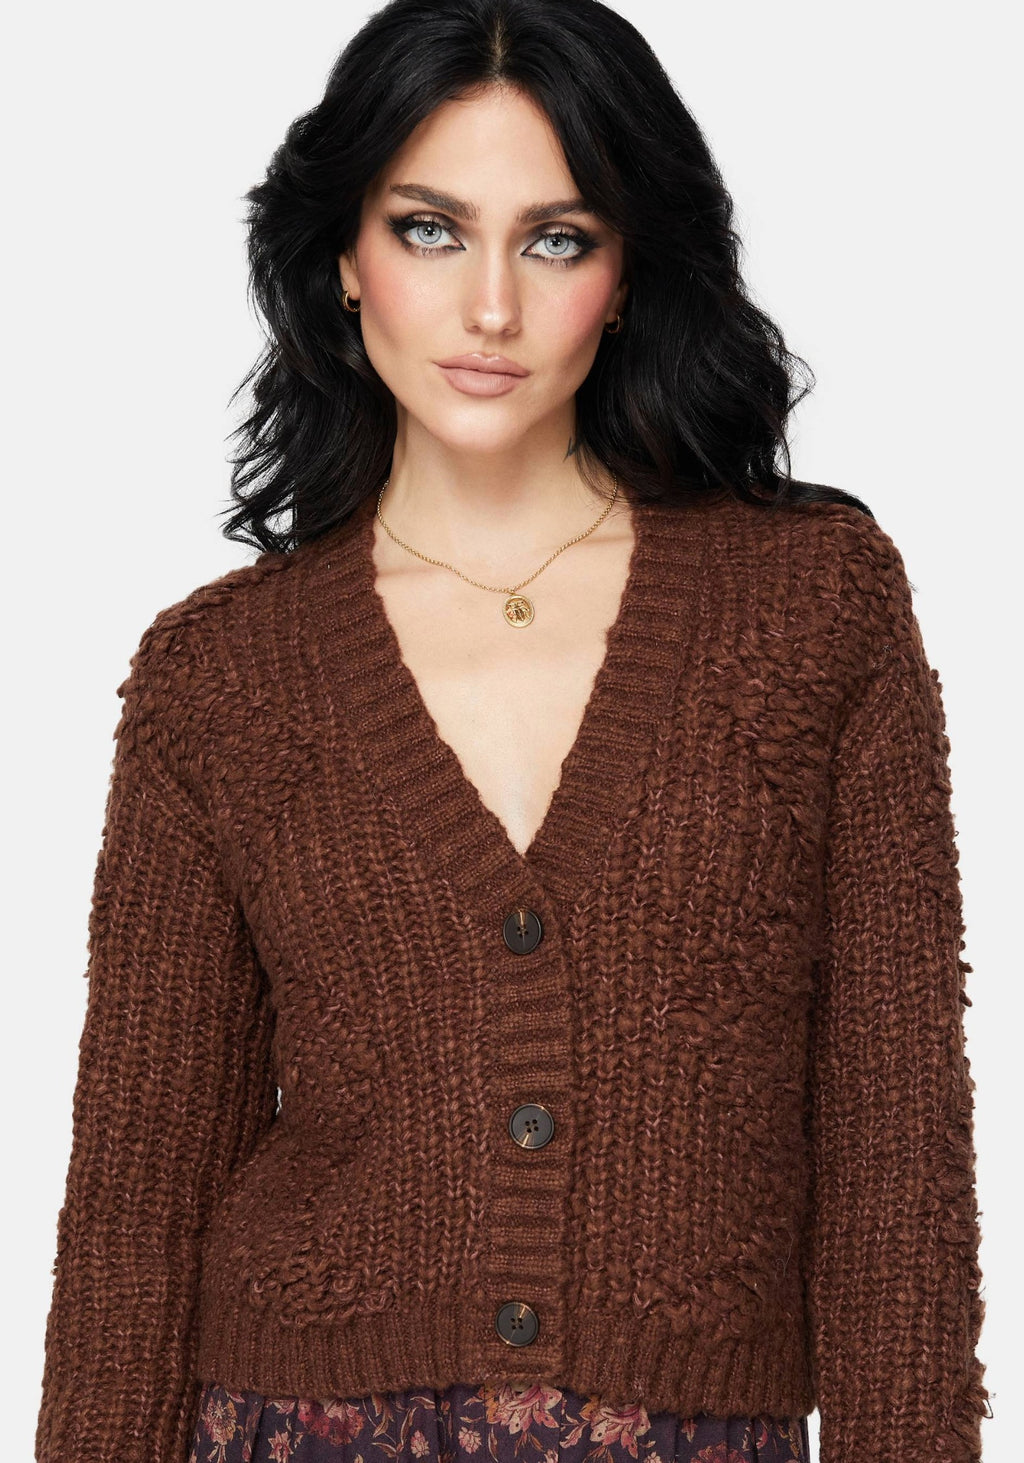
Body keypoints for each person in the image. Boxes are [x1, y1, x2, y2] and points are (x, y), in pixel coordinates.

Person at [34, 1, 990, 1461]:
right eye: (429, 230)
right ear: (342, 258)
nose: (490, 307)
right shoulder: (219, 676)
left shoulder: (814, 611)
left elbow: (895, 1152)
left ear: (627, 271)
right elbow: (137, 1204)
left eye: (555, 239)